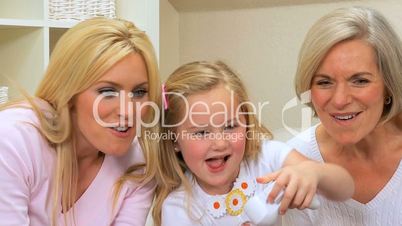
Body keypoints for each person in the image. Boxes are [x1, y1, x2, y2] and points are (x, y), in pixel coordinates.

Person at [0, 17, 160, 226]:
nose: (129, 111)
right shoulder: (14, 140)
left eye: (140, 92)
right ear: (69, 92)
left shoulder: (139, 163)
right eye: (107, 91)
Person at [152, 61, 354, 226]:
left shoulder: (267, 157)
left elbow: (345, 188)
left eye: (230, 126)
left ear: (247, 123)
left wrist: (313, 172)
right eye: (202, 132)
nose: (220, 143)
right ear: (174, 140)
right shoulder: (179, 207)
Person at [283, 6, 402, 226]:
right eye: (324, 82)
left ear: (389, 85)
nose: (339, 100)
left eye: (360, 81)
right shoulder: (295, 158)